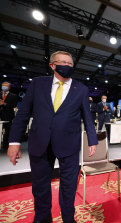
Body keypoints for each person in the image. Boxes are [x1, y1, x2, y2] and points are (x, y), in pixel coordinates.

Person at [7, 51, 98, 223]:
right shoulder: (38, 84)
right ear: (52, 65)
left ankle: (68, 219)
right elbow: (23, 114)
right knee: (40, 187)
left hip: (69, 145)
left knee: (69, 187)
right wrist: (14, 142)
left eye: (70, 64)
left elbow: (87, 117)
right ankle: (42, 218)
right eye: (63, 62)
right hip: (39, 142)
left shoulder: (81, 89)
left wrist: (92, 140)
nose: (67, 66)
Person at [0, 81, 18, 152]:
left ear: (9, 87)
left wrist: (4, 104)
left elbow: (14, 105)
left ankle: (5, 146)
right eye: (3, 85)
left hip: (8, 115)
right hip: (0, 115)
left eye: (6, 86)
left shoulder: (13, 96)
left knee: (7, 132)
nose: (4, 87)